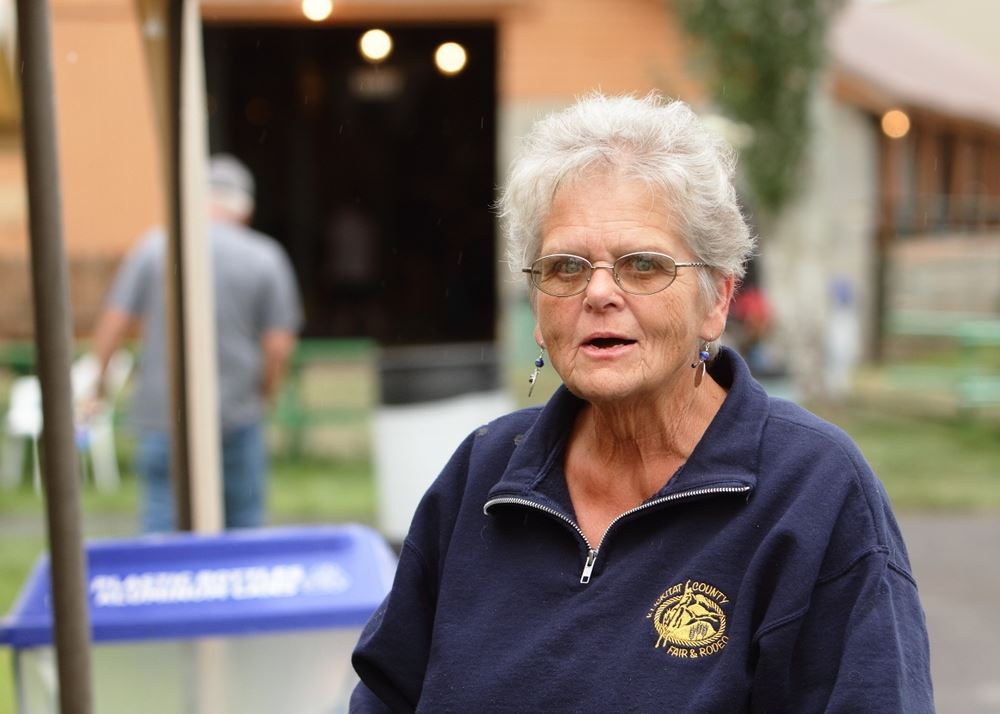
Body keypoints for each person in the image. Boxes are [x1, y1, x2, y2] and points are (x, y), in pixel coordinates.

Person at [350, 93, 933, 712]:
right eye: (567, 267)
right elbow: (384, 697)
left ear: (716, 300)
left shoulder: (813, 491)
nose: (599, 292)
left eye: (644, 264)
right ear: (537, 310)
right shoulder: (484, 476)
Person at [92, 154, 302, 532]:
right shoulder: (265, 257)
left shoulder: (153, 247)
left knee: (161, 528)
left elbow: (113, 323)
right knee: (244, 532)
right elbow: (279, 345)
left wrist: (98, 387)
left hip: (162, 414)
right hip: (236, 413)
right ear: (245, 209)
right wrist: (264, 395)